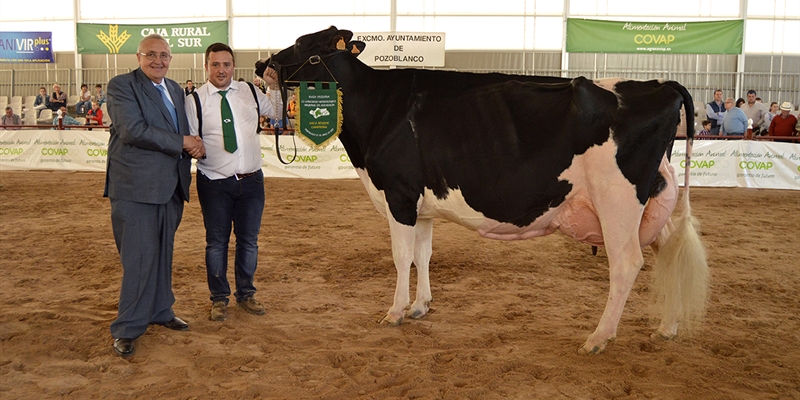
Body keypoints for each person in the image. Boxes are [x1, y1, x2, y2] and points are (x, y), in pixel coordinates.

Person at [104, 34, 205, 358]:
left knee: (162, 252)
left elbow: (182, 129)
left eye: (163, 55)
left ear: (171, 58)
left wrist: (194, 143)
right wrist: (185, 142)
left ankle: (161, 310)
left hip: (169, 187)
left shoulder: (175, 89)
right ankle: (128, 327)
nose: (158, 60)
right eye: (151, 55)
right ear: (138, 56)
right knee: (139, 259)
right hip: (134, 188)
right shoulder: (121, 86)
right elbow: (133, 130)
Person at [185, 42, 281, 322]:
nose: (221, 70)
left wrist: (273, 86)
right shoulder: (194, 101)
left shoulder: (249, 91)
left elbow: (276, 111)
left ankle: (246, 294)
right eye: (215, 64)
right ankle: (219, 298)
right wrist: (195, 148)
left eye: (226, 64)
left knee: (249, 242)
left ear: (233, 66)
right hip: (214, 183)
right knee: (216, 243)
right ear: (206, 67)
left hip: (252, 182)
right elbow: (190, 138)